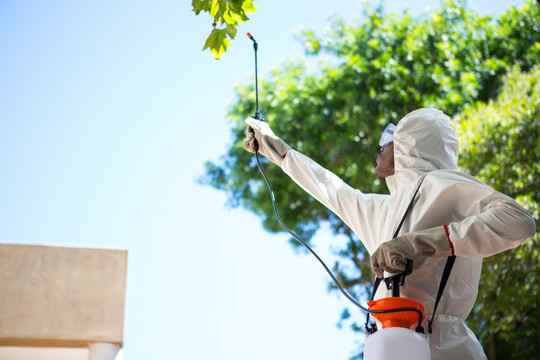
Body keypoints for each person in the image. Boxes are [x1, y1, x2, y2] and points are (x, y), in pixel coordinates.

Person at [243, 108, 536, 359]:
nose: (380, 148)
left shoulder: (445, 184)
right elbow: (330, 188)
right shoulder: (383, 210)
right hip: (391, 344)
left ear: (412, 146)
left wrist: (421, 242)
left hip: (446, 346)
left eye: (388, 141)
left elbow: (519, 221)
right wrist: (275, 148)